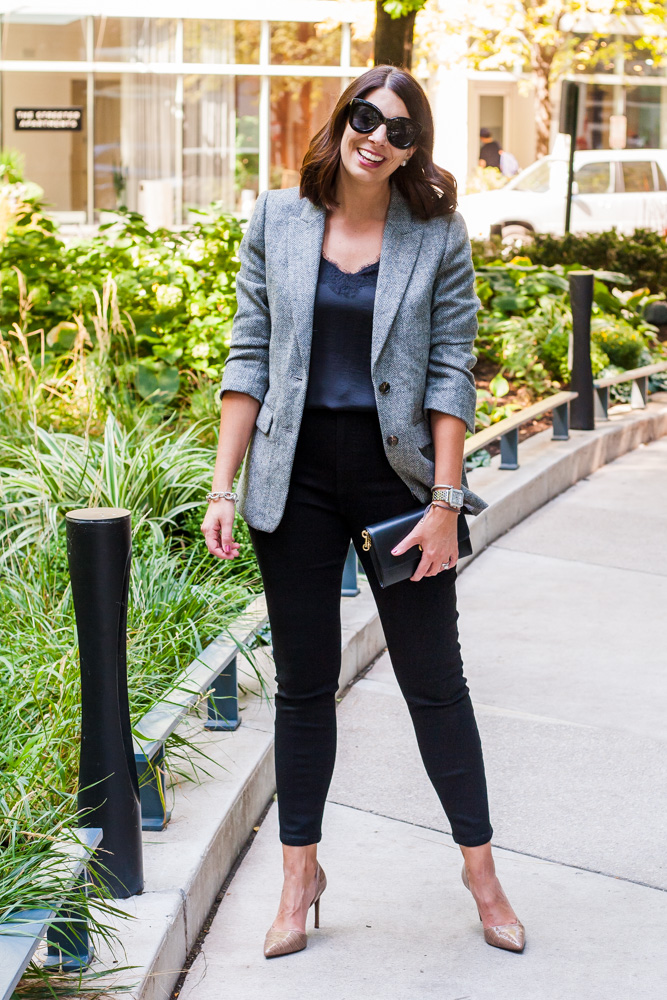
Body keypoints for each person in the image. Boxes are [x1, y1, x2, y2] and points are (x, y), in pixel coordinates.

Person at [202, 65, 525, 960]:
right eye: (363, 117)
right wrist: (223, 487)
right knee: (304, 688)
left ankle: (481, 871)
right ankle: (299, 875)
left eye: (399, 129)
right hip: (294, 479)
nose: (376, 137)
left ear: (415, 147)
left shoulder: (436, 234)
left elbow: (451, 368)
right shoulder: (276, 218)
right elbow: (250, 352)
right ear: (341, 118)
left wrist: (444, 504)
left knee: (434, 683)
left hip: (396, 484)